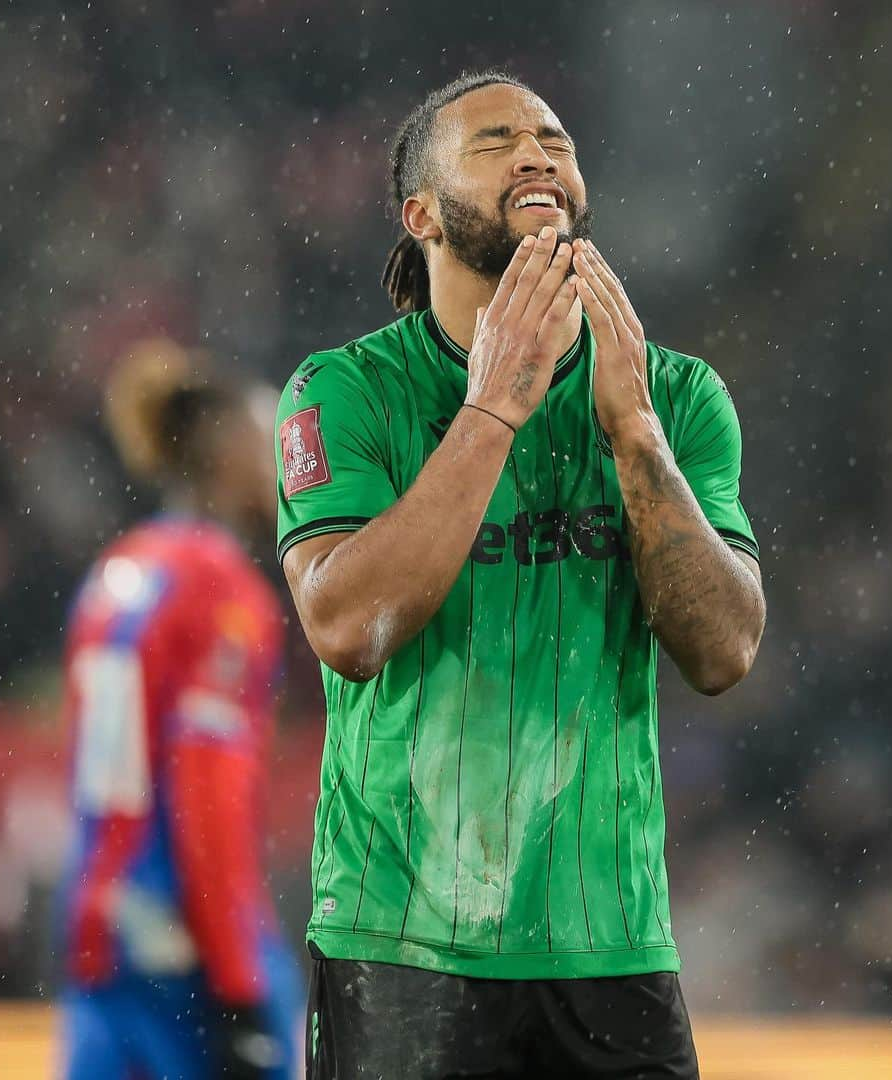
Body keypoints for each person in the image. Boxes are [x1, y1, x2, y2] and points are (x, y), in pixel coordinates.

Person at [277, 71, 766, 1078]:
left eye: (555, 138)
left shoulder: (674, 396)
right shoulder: (345, 392)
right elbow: (347, 627)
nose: (538, 153)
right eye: (495, 141)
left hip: (612, 942)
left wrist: (635, 439)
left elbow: (722, 651)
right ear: (422, 214)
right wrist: (493, 407)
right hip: (401, 946)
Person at [59, 340, 301, 1080]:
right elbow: (208, 795)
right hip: (183, 944)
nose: (285, 465)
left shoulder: (117, 573)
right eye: (272, 441)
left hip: (100, 931)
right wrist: (239, 986)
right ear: (229, 451)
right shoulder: (222, 592)